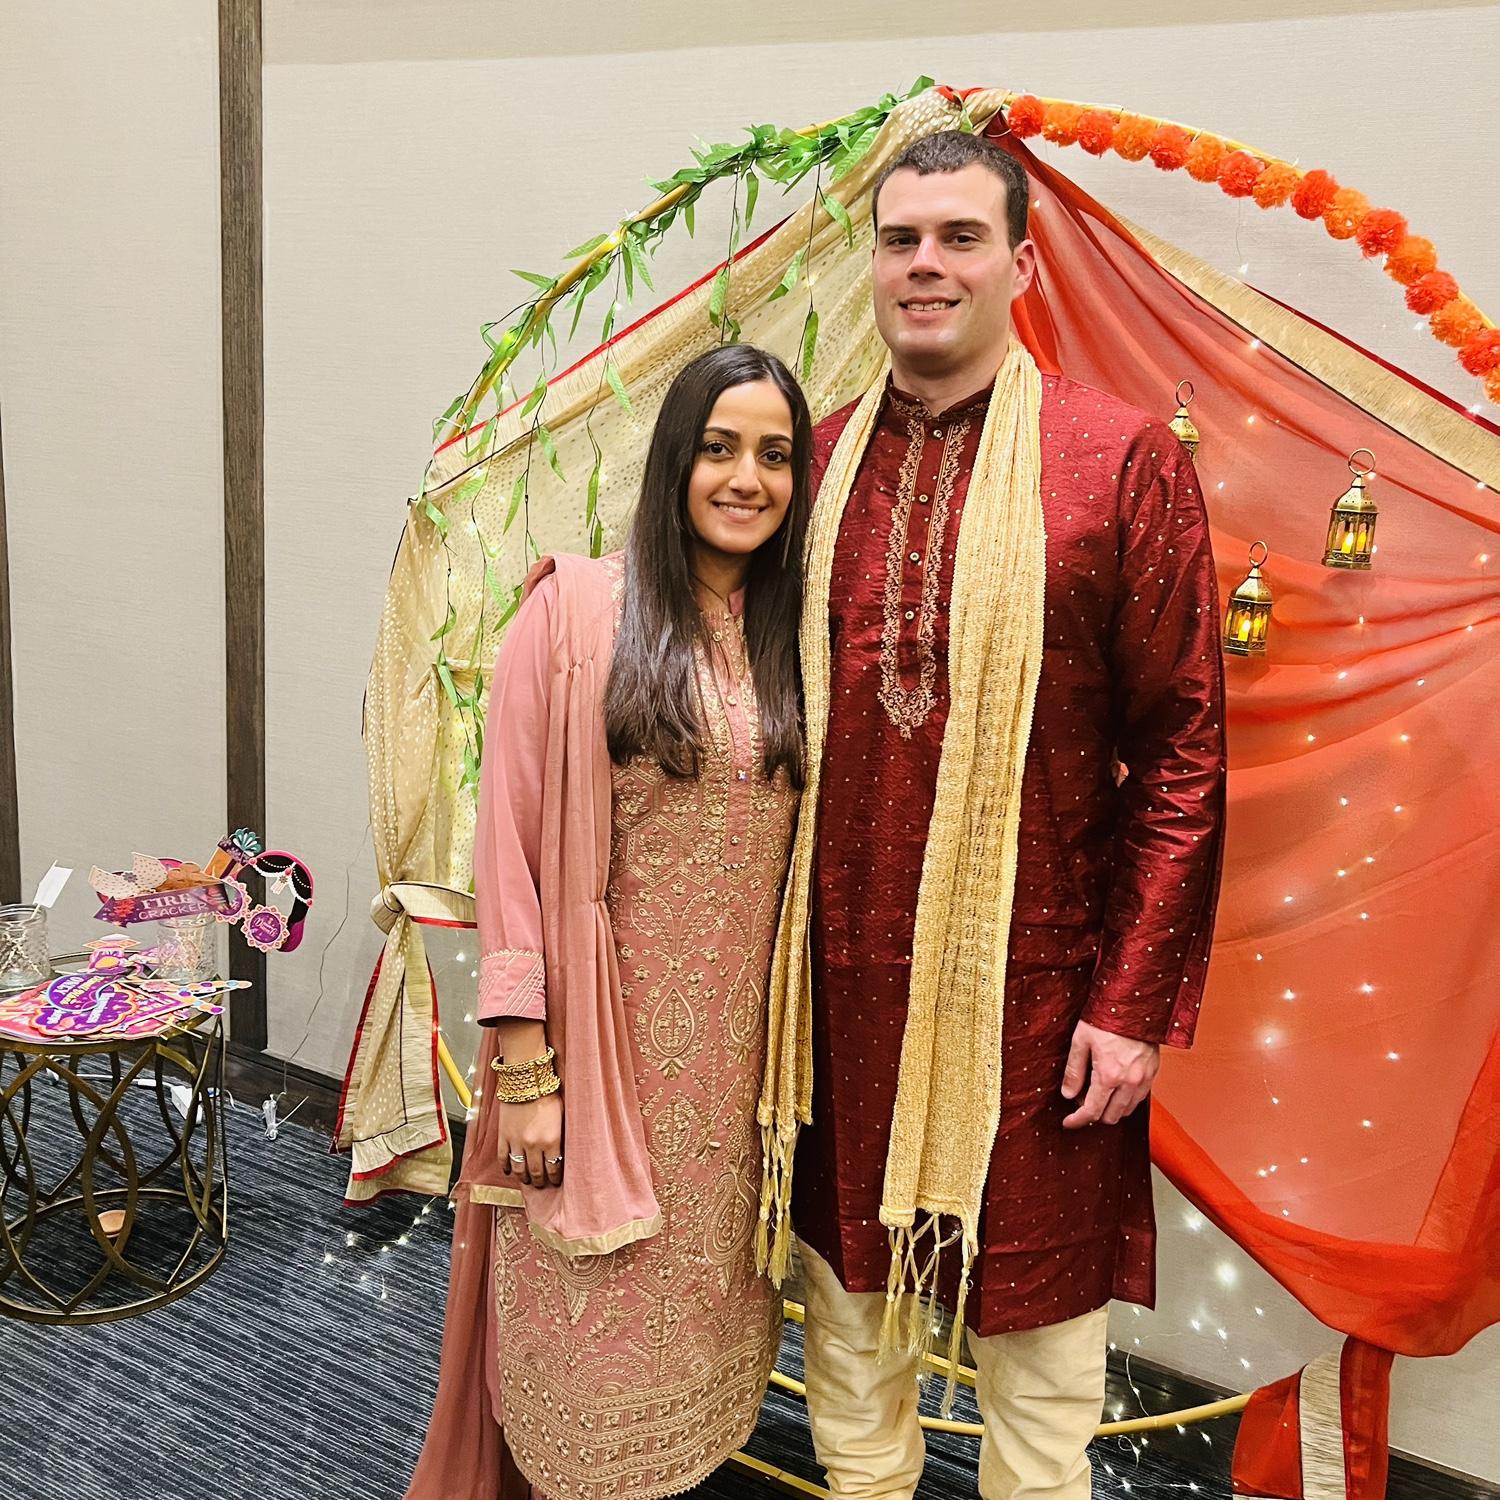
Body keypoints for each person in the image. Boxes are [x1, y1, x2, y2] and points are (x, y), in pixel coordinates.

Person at [758, 130, 1227, 1500]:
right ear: (873, 262)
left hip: (1039, 990)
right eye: (901, 238)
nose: (926, 264)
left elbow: (1183, 754)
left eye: (960, 236)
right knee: (847, 1321)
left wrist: (1131, 1004)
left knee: (1041, 1353)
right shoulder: (813, 466)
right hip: (836, 983)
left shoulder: (1119, 460)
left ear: (1020, 264)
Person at [405, 343, 813, 1500]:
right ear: (675, 457)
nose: (747, 478)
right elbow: (509, 853)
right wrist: (527, 1071)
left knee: (696, 1346)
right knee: (583, 1346)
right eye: (720, 448)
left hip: (732, 1086)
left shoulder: (794, 634)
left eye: (775, 455)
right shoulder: (578, 612)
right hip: (597, 1062)